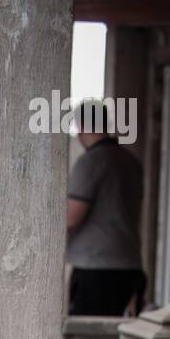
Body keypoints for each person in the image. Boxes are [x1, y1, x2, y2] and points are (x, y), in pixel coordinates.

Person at [66, 99, 145, 317]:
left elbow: (72, 217)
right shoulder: (130, 161)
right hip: (130, 265)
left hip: (97, 267)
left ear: (81, 126)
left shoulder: (90, 162)